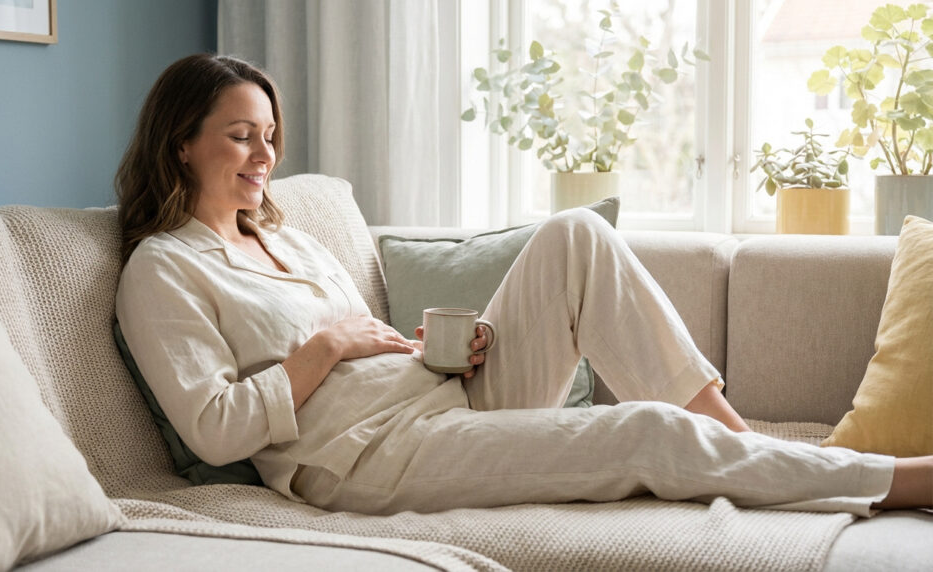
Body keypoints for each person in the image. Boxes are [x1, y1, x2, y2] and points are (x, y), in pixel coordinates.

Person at [114, 53, 932, 517]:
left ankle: (741, 443)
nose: (263, 157)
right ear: (181, 144)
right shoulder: (163, 270)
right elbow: (217, 429)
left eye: (269, 137)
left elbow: (372, 346)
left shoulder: (286, 236)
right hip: (369, 460)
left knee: (575, 233)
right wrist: (325, 347)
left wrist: (437, 354)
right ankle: (896, 481)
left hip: (438, 398)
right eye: (240, 137)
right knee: (642, 433)